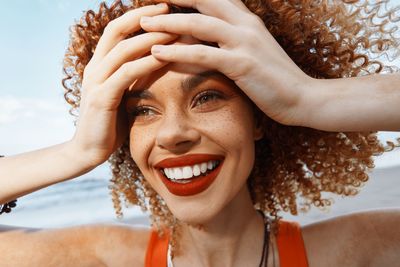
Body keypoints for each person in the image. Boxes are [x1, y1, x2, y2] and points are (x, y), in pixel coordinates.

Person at [0, 0, 399, 266]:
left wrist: (310, 99)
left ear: (261, 115)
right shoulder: (101, 258)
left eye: (207, 97)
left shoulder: (364, 247)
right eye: (143, 110)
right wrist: (78, 151)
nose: (173, 134)